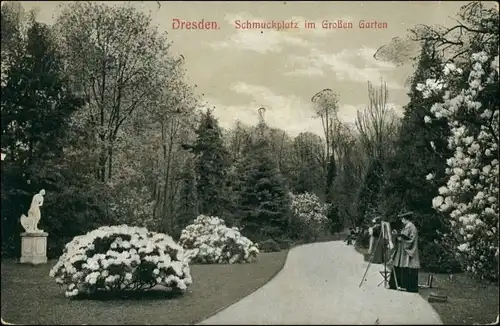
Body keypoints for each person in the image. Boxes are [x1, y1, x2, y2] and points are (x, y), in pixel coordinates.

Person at [388, 212, 420, 293]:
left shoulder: (411, 227)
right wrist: (398, 236)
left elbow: (411, 240)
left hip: (407, 251)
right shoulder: (407, 226)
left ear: (406, 219)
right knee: (400, 265)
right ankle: (398, 284)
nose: (402, 221)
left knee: (407, 266)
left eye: (402, 219)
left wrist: (401, 238)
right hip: (402, 250)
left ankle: (406, 286)